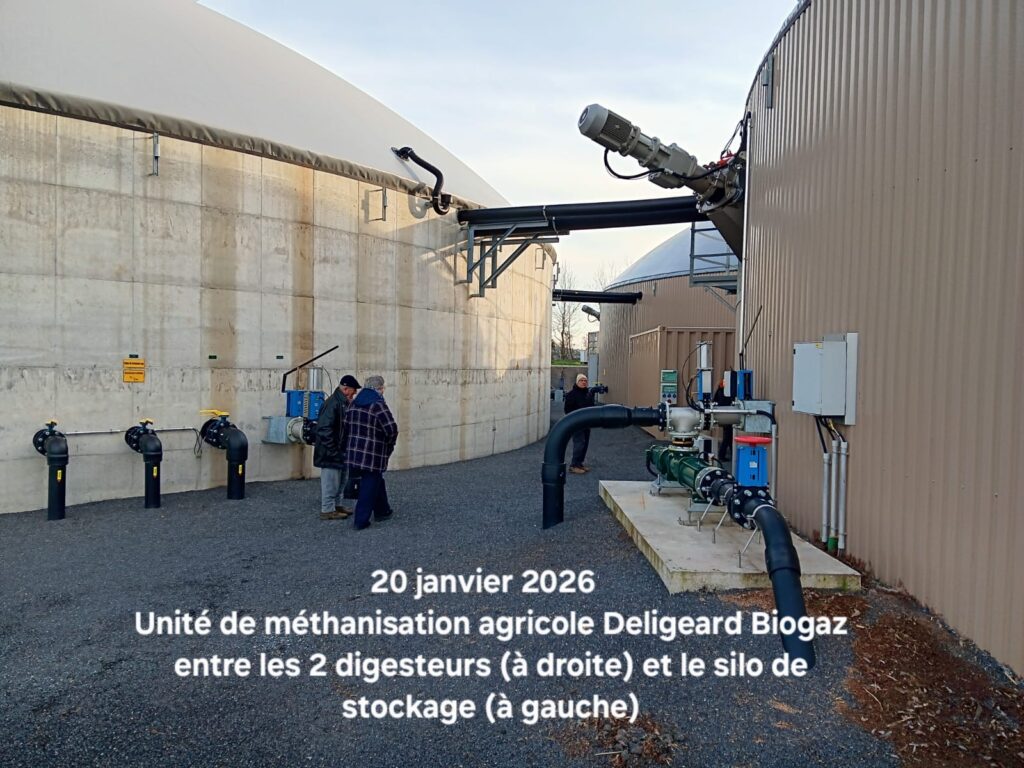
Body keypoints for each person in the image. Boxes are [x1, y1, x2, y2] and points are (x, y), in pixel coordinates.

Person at [344, 374, 399, 530]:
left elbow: (346, 426)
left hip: (355, 451)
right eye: (382, 388)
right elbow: (391, 429)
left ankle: (383, 510)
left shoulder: (354, 404)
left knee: (376, 479)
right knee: (369, 483)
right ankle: (360, 520)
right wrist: (389, 445)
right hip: (373, 453)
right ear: (379, 388)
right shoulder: (377, 405)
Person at [314, 374, 361, 520]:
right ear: (346, 389)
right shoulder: (333, 403)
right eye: (353, 391)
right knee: (331, 482)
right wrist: (334, 450)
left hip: (337, 450)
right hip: (330, 452)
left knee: (340, 480)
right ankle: (327, 509)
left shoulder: (340, 402)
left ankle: (336, 506)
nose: (354, 394)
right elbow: (323, 429)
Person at [564, 373, 595, 474]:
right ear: (577, 382)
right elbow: (567, 410)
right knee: (579, 443)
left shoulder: (588, 394)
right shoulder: (571, 394)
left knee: (585, 443)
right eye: (581, 380)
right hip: (576, 424)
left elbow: (592, 408)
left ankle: (579, 463)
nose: (583, 382)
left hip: (586, 423)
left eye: (585, 380)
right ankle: (573, 465)